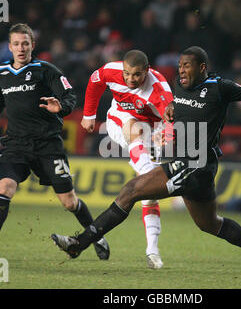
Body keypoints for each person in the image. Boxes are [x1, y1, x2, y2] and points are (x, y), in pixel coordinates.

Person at [51, 46, 241, 274]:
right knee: (210, 224)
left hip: (196, 165)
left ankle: (80, 243)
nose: (181, 70)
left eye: (187, 66)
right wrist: (163, 129)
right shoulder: (176, 90)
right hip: (189, 166)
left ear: (202, 67)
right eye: (180, 65)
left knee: (131, 190)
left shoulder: (221, 88)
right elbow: (166, 114)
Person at [0, 23, 110, 261]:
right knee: (5, 188)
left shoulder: (46, 70)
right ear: (9, 47)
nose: (21, 48)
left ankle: (97, 236)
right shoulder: (1, 72)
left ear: (33, 45)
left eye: (25, 43)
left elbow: (70, 96)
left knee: (69, 201)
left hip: (47, 144)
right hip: (16, 144)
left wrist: (61, 107)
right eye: (16, 44)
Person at [58, 49, 173, 269]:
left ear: (147, 71)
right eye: (127, 74)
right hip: (118, 119)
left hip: (152, 131)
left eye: (137, 75)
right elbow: (94, 82)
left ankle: (152, 251)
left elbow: (171, 117)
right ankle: (146, 171)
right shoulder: (111, 71)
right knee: (135, 130)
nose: (131, 79)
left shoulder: (159, 90)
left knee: (148, 192)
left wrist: (165, 136)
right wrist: (89, 115)